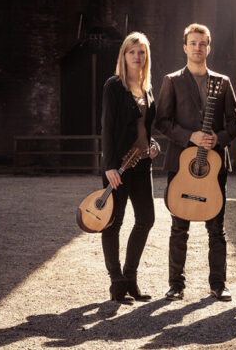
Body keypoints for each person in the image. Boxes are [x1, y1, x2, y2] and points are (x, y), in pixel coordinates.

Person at [155, 23, 236, 301]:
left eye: (202, 43)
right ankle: (176, 284)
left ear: (208, 47)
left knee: (216, 228)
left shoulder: (223, 81)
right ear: (185, 47)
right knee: (179, 227)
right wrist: (189, 136)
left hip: (213, 164)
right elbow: (161, 122)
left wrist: (220, 138)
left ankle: (219, 284)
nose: (197, 48)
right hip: (182, 163)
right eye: (193, 43)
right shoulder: (172, 81)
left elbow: (235, 123)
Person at [100, 31, 160, 303]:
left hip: (142, 163)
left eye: (142, 52)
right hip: (119, 167)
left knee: (146, 219)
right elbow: (108, 127)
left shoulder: (147, 87)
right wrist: (109, 165)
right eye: (132, 52)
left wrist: (153, 144)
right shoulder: (114, 85)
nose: (137, 56)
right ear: (123, 55)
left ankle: (130, 277)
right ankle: (116, 282)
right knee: (113, 222)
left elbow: (143, 128)